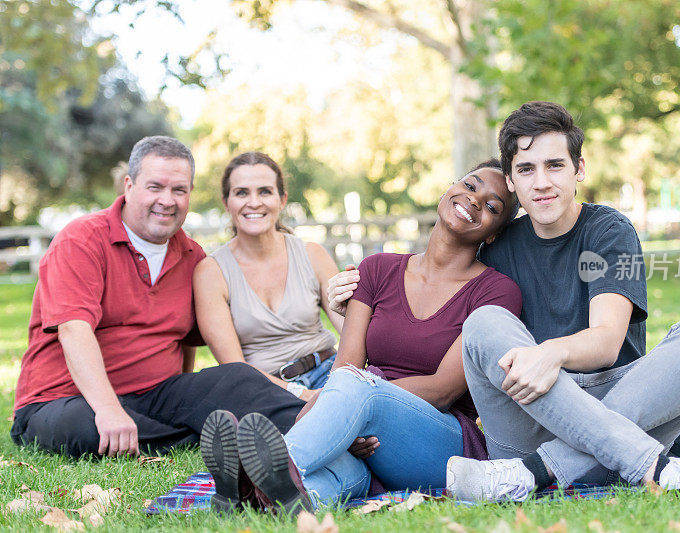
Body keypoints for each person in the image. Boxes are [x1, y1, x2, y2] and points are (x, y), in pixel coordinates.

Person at [330, 102, 680, 500]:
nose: (542, 182)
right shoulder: (496, 247)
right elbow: (435, 316)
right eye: (526, 169)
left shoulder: (610, 233)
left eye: (555, 165)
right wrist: (351, 302)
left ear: (579, 169)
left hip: (616, 406)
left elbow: (607, 341)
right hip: (527, 419)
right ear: (511, 180)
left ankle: (531, 474)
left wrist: (550, 352)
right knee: (485, 322)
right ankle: (656, 468)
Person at [200, 159, 523, 513]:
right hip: (366, 432)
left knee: (353, 385)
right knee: (335, 475)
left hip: (439, 443)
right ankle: (252, 503)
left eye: (493, 206)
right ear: (449, 188)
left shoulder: (496, 291)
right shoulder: (377, 269)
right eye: (470, 186)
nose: (475, 200)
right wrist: (344, 418)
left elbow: (443, 390)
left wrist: (357, 406)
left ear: (494, 233)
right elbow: (346, 365)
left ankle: (257, 469)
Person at [11, 136, 304, 460]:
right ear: (129, 185)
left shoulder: (192, 256)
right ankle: (198, 432)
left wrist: (185, 391)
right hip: (64, 399)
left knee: (237, 378)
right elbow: (73, 331)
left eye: (179, 190)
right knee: (83, 427)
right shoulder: (81, 240)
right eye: (155, 187)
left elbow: (188, 340)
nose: (167, 200)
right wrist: (108, 409)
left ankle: (317, 423)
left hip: (155, 394)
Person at [192, 152, 343, 402]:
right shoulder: (211, 272)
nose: (254, 202)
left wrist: (339, 383)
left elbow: (352, 331)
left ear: (282, 199)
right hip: (261, 389)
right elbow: (234, 365)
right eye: (241, 193)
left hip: (329, 371)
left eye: (264, 191)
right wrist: (302, 395)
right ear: (226, 202)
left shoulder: (311, 254)